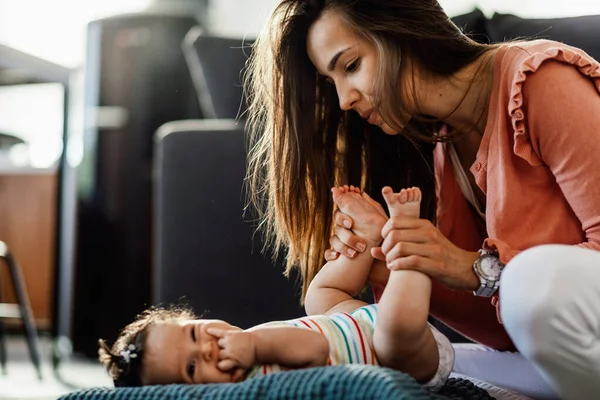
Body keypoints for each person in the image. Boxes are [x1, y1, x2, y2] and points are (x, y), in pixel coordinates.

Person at [244, 1, 600, 399]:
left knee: (531, 280)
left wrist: (470, 267)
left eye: (351, 66)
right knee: (387, 367)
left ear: (400, 31)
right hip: (559, 363)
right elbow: (510, 329)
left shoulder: (539, 79)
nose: (344, 99)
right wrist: (397, 260)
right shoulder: (437, 147)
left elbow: (535, 294)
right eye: (332, 84)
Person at [98, 186, 454, 390]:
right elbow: (314, 347)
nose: (207, 348)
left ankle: (367, 233)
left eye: (194, 333)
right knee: (394, 330)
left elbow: (321, 332)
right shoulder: (253, 377)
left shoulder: (250, 339)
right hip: (403, 358)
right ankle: (408, 243)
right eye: (192, 368)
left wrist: (253, 342)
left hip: (353, 323)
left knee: (319, 297)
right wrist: (254, 348)